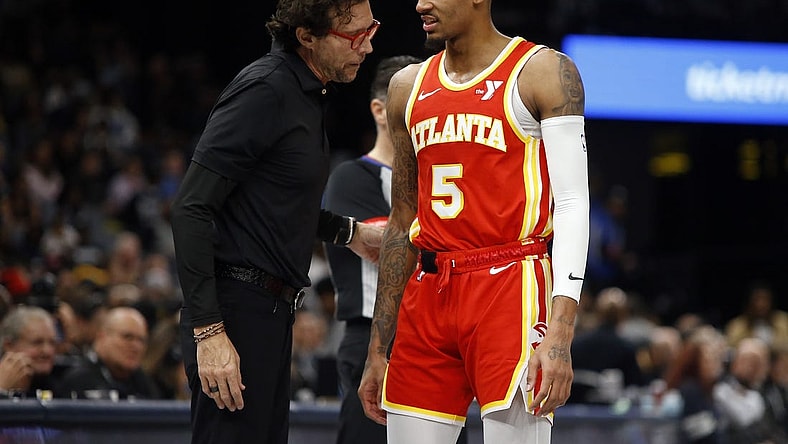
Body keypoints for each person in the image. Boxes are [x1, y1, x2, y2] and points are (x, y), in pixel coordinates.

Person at [358, 1, 590, 442]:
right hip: (427, 290)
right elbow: (402, 219)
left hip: (510, 284)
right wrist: (378, 346)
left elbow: (574, 204)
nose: (421, 3)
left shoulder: (542, 71)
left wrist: (560, 333)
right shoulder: (407, 87)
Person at [169, 1, 383, 443]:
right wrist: (209, 331)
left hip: (270, 313)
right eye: (353, 36)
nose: (367, 46)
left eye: (371, 29)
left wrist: (351, 233)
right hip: (234, 311)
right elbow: (191, 206)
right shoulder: (266, 89)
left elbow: (275, 203)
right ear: (306, 36)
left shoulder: (308, 94)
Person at [323, 55, 421, 444]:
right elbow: (388, 246)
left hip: (430, 340)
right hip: (372, 340)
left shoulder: (436, 180)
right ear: (381, 110)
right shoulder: (352, 176)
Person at [56, 306, 160, 400]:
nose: (136, 346)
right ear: (102, 337)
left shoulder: (145, 384)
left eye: (141, 340)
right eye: (127, 337)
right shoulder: (78, 380)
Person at [0, 305, 59, 398]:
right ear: (9, 346)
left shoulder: (61, 386)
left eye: (52, 343)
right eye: (37, 342)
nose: (47, 351)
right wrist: (1, 390)